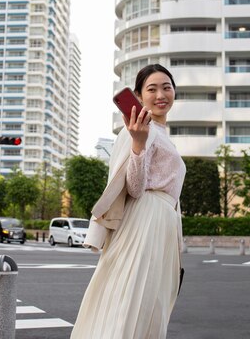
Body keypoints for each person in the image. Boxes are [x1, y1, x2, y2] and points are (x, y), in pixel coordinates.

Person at [71, 64, 186, 339]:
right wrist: (138, 143)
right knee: (132, 300)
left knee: (148, 304)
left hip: (162, 224)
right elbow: (134, 188)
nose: (161, 94)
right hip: (144, 223)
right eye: (152, 89)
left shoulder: (160, 134)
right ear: (137, 96)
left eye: (167, 87)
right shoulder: (136, 132)